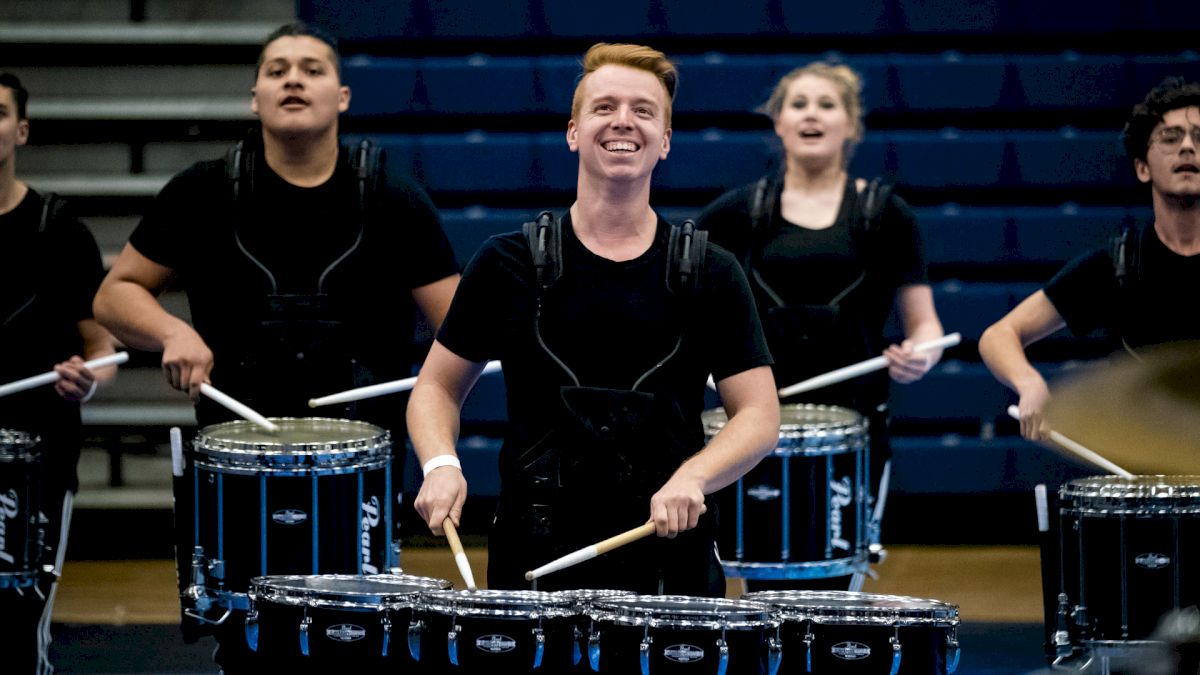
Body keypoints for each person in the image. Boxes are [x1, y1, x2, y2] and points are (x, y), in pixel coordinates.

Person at [91, 23, 459, 672]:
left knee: (356, 644)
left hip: (357, 471)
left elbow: (462, 327)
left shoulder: (392, 195)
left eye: (312, 69)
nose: (294, 78)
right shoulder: (204, 190)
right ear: (254, 97)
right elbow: (115, 295)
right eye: (278, 69)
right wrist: (173, 331)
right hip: (240, 467)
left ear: (342, 96)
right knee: (249, 647)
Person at [409, 43, 780, 596]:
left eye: (644, 110)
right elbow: (436, 387)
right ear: (574, 132)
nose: (623, 121)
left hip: (668, 560)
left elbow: (759, 415)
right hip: (533, 553)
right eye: (604, 107)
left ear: (666, 141)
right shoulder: (506, 262)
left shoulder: (712, 270)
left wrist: (695, 476)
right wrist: (441, 462)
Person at [695, 62, 945, 589]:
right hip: (754, 429)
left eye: (828, 105)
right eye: (799, 103)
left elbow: (925, 326)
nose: (812, 114)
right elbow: (686, 312)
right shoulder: (737, 212)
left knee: (836, 588)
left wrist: (920, 354)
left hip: (853, 429)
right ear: (778, 122)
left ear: (851, 126)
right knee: (756, 584)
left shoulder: (885, 214)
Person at [980, 77, 1200, 442]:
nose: (1188, 147)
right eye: (1170, 137)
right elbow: (998, 335)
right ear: (1142, 168)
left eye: (1199, 136)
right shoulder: (1117, 265)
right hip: (1145, 476)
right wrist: (1030, 382)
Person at [0, 72, 118, 675]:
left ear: (20, 129)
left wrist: (89, 378)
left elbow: (99, 343)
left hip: (36, 458)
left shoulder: (60, 230)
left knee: (18, 622)